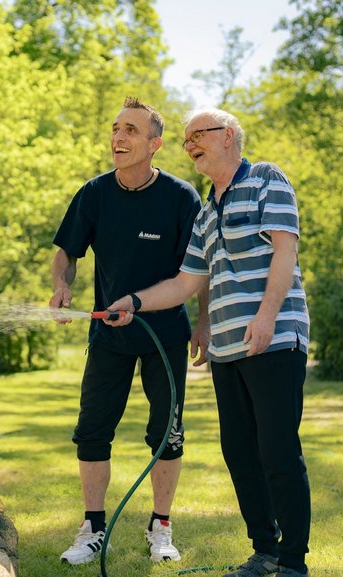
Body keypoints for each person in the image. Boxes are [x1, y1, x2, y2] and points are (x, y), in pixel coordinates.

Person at [106, 107, 312, 577]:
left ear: (230, 136)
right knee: (239, 452)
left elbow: (285, 250)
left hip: (275, 339)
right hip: (226, 349)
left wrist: (264, 318)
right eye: (186, 139)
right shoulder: (207, 209)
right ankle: (265, 552)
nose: (191, 144)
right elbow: (184, 283)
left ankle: (294, 563)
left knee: (278, 451)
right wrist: (134, 302)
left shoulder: (266, 179)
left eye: (200, 134)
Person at [49, 96, 209, 565]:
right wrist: (61, 286)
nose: (119, 137)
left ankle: (161, 527)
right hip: (109, 335)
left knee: (168, 432)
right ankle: (93, 528)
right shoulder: (94, 193)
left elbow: (198, 270)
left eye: (132, 131)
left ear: (155, 144)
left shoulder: (182, 198)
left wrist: (203, 320)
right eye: (116, 129)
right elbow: (67, 253)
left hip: (167, 336)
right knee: (93, 431)